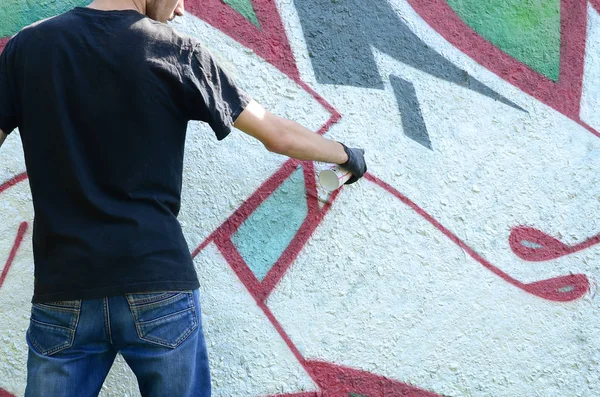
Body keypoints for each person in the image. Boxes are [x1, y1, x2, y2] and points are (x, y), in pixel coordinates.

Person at [0, 0, 367, 396]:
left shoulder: (29, 47)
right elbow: (276, 134)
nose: (180, 10)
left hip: (63, 289)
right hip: (156, 284)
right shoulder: (178, 52)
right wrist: (346, 155)